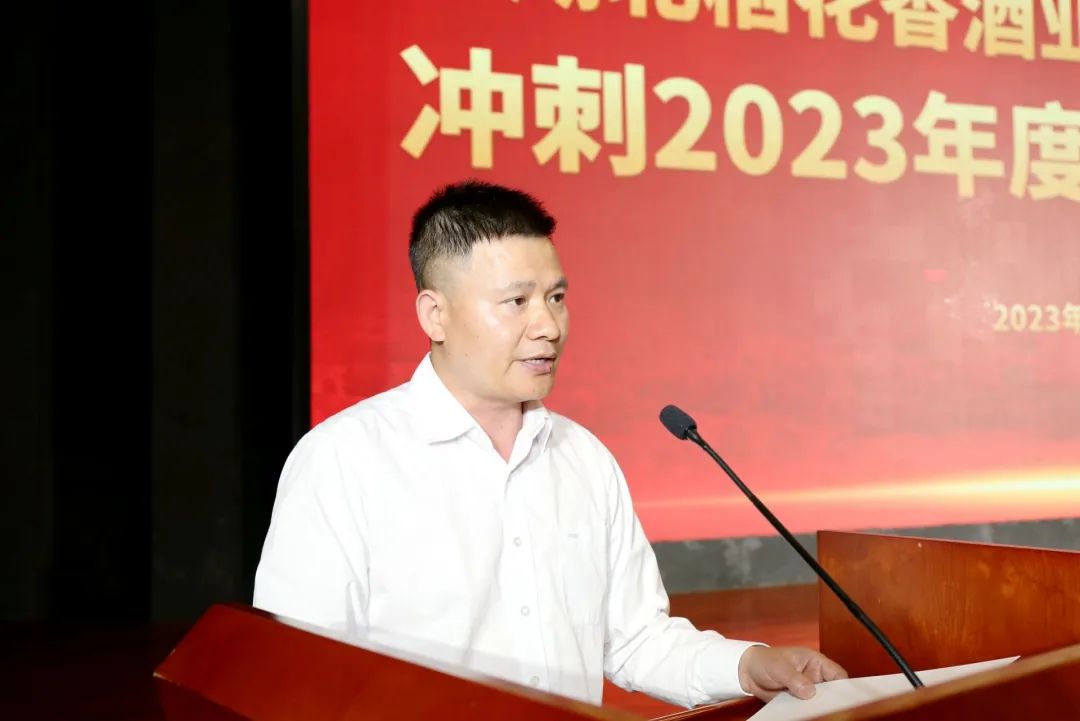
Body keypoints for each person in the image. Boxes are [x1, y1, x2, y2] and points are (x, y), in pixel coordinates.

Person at [253, 180, 846, 707]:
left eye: (556, 298)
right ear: (435, 314)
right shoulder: (343, 462)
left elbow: (636, 639)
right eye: (517, 302)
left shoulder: (583, 460)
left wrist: (748, 665)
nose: (549, 326)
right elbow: (298, 679)